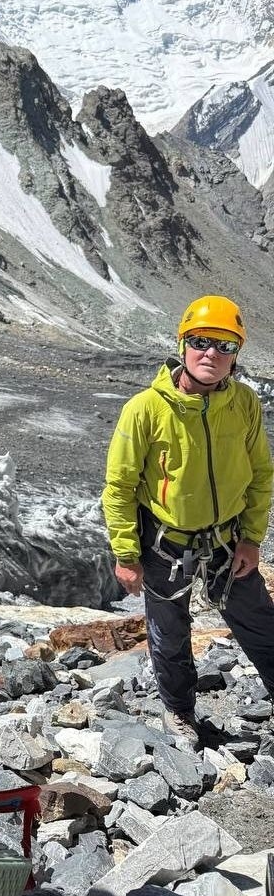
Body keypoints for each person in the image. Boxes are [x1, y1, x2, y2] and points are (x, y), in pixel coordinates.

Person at [101, 295, 274, 747]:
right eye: (200, 342)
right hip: (165, 542)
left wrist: (252, 539)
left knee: (259, 619)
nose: (211, 353)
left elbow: (260, 473)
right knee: (169, 632)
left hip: (228, 539)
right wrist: (126, 555)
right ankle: (179, 712)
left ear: (236, 354)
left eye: (224, 345)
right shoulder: (145, 409)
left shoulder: (243, 403)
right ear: (182, 345)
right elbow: (119, 487)